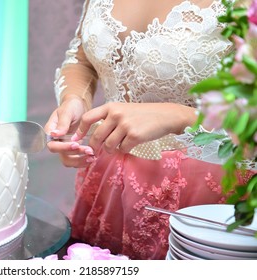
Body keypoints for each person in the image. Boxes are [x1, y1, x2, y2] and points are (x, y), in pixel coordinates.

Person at [44, 0, 254, 260]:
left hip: (207, 195)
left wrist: (181, 116)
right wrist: (74, 101)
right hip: (106, 180)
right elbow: (81, 57)